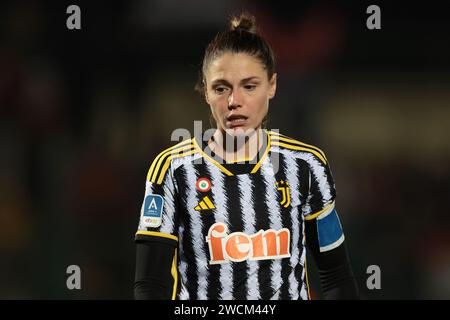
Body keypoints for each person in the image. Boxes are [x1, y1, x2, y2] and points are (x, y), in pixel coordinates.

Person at [134, 13, 359, 300]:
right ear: (204, 91)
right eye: (221, 88)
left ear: (272, 85)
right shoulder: (174, 170)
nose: (234, 101)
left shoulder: (306, 166)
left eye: (249, 86)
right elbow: (149, 286)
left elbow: (336, 276)